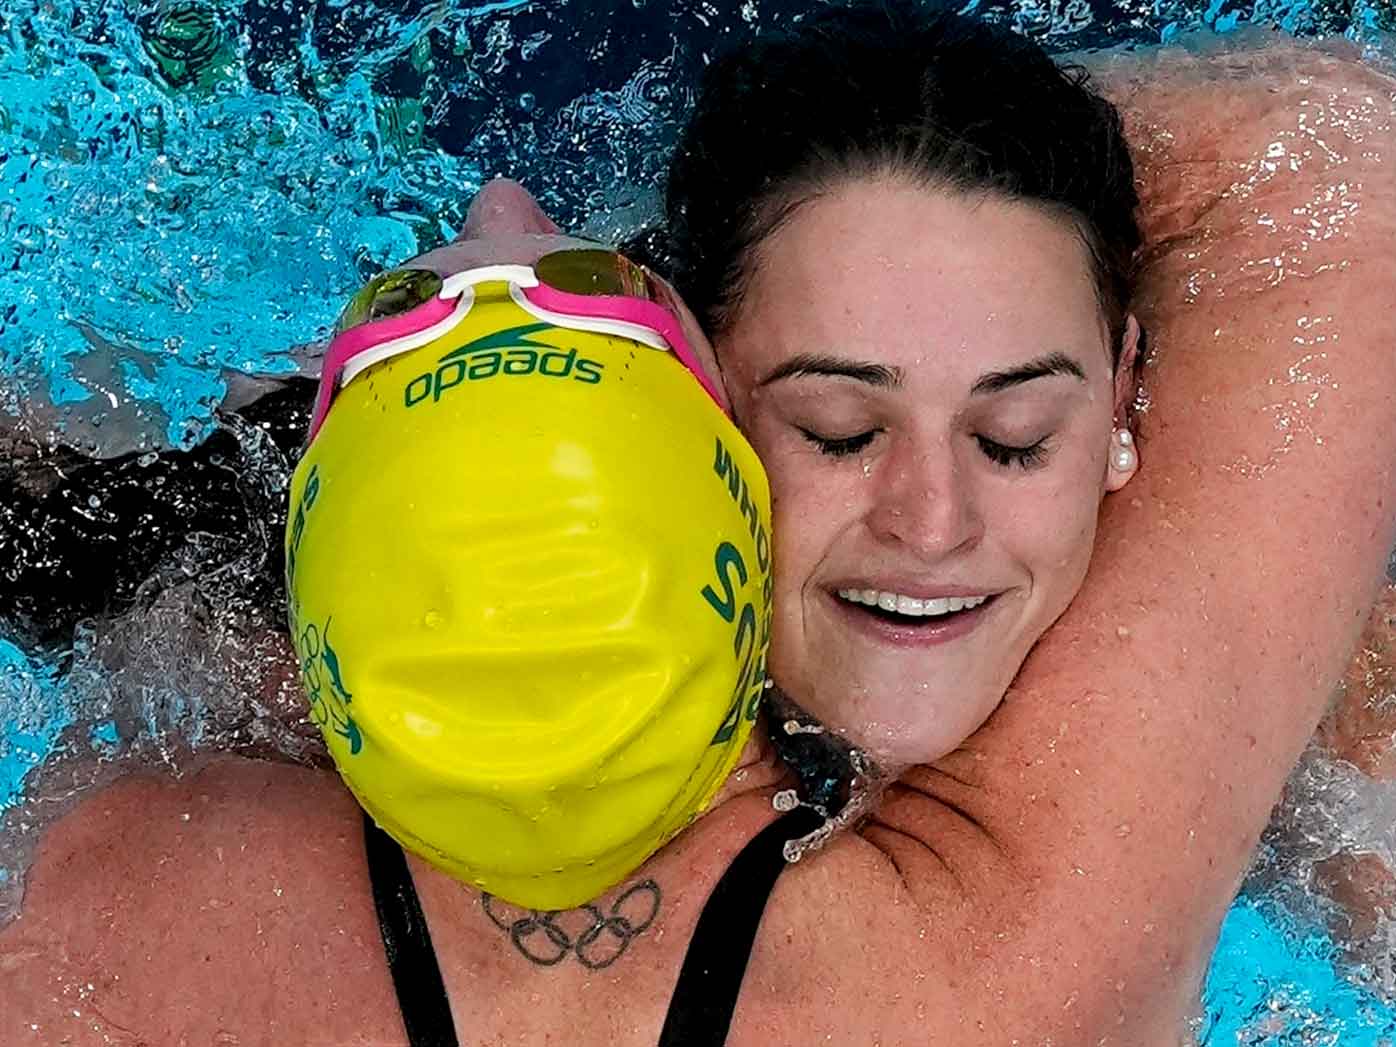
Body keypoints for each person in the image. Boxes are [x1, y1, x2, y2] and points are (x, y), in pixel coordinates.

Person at [2, 6, 1393, 1046]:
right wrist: (682, 242)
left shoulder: (121, 892)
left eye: (1010, 435)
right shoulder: (1012, 938)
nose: (931, 521)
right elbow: (1339, 157)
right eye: (837, 429)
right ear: (717, 429)